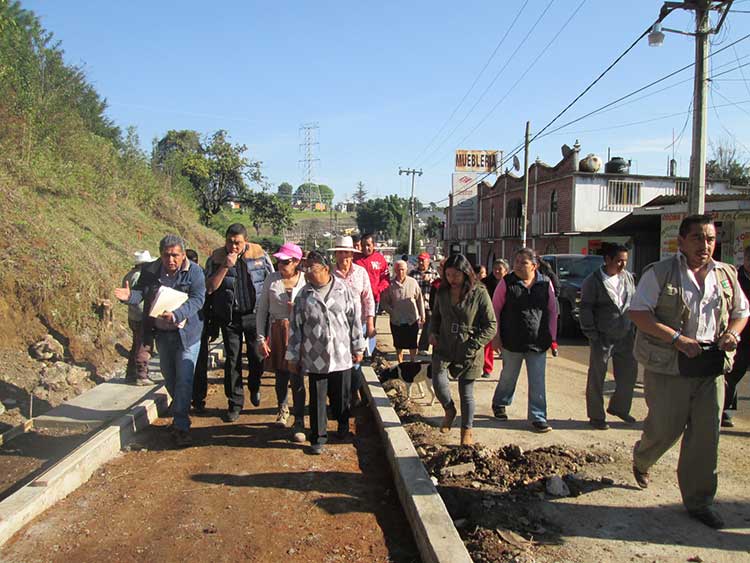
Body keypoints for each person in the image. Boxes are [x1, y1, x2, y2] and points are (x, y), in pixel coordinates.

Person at [628, 214, 748, 529]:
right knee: (665, 429)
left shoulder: (726, 275)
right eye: (697, 238)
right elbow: (639, 313)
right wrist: (677, 339)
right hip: (670, 365)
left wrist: (732, 333)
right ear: (682, 241)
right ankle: (643, 457)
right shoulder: (660, 273)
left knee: (707, 437)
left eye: (709, 239)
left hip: (711, 365)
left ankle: (699, 501)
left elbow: (741, 312)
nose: (704, 245)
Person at [114, 235, 205, 447]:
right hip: (163, 334)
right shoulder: (151, 271)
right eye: (166, 255)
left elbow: (198, 299)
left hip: (188, 335)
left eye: (175, 255)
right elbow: (140, 294)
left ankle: (181, 425)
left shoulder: (195, 273)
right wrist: (129, 297)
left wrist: (177, 314)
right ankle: (182, 409)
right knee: (170, 378)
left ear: (183, 255)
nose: (171, 260)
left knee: (184, 379)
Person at [286, 251, 365, 455]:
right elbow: (295, 328)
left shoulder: (344, 290)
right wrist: (293, 356)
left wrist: (358, 347)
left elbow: (354, 320)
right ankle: (318, 437)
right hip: (315, 355)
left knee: (340, 397)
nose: (308, 272)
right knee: (317, 398)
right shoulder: (304, 295)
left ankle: (342, 425)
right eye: (306, 268)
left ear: (326, 269)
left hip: (341, 353)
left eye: (313, 268)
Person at [206, 223, 274, 422]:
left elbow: (270, 281)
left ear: (246, 241)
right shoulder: (216, 258)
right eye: (229, 242)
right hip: (230, 318)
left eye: (237, 243)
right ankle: (235, 402)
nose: (233, 247)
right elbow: (209, 288)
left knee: (256, 356)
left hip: (255, 315)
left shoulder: (259, 255)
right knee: (232, 360)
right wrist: (225, 265)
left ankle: (254, 385)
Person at [429, 254, 496, 446]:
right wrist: (432, 332)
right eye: (448, 275)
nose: (452, 280)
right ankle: (449, 409)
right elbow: (435, 317)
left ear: (466, 273)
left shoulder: (479, 293)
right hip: (445, 344)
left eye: (456, 275)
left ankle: (466, 430)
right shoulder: (442, 292)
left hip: (469, 347)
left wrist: (474, 344)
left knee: (466, 392)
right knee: (438, 379)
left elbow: (491, 325)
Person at [491, 248, 558, 433]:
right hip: (512, 340)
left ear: (534, 266)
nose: (518, 266)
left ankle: (538, 417)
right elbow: (495, 310)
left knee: (537, 380)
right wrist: (496, 336)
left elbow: (553, 311)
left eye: (523, 262)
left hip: (538, 340)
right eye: (517, 261)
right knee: (509, 376)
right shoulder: (507, 283)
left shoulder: (545, 284)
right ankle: (500, 402)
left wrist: (553, 338)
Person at [579, 243, 637, 430]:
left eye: (625, 261)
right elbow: (585, 308)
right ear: (608, 260)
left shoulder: (628, 278)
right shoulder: (593, 281)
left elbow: (633, 302)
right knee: (597, 376)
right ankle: (596, 416)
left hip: (626, 335)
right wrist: (592, 333)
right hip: (602, 337)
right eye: (619, 261)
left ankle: (620, 407)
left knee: (629, 374)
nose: (622, 265)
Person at [256, 242, 307, 442]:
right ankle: (282, 408)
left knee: (297, 377)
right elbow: (261, 311)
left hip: (299, 332)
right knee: (281, 374)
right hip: (277, 330)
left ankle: (300, 419)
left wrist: (299, 309)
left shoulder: (304, 281)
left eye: (285, 261)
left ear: (296, 262)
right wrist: (261, 338)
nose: (280, 265)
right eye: (278, 261)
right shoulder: (272, 279)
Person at [331, 236, 375, 407]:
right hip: (336, 326)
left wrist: (370, 323)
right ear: (336, 255)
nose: (344, 257)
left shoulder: (360, 272)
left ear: (352, 254)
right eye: (340, 253)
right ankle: (341, 398)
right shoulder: (330, 274)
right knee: (339, 362)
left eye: (347, 253)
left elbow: (368, 298)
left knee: (357, 362)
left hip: (358, 324)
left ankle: (353, 393)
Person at [722, 244, 750, 428]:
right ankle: (726, 411)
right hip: (739, 334)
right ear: (745, 259)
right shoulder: (734, 278)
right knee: (731, 373)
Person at [381, 260, 424, 364]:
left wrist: (422, 314)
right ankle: (400, 363)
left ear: (406, 270)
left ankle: (413, 362)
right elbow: (384, 302)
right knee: (398, 344)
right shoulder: (390, 285)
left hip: (412, 319)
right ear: (395, 270)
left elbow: (419, 299)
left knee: (412, 343)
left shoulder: (413, 282)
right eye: (398, 269)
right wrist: (392, 311)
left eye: (403, 269)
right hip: (397, 320)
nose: (400, 272)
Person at [122, 250, 155, 386]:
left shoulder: (128, 275)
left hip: (132, 314)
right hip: (142, 313)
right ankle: (141, 374)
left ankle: (130, 373)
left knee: (135, 343)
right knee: (144, 344)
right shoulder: (140, 276)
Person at [355, 233, 390, 325]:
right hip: (357, 299)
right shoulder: (355, 259)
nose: (365, 248)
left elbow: (385, 279)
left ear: (373, 245)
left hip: (374, 299)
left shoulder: (380, 259)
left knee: (370, 325)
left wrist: (377, 290)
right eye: (363, 245)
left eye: (368, 245)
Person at [409, 252, 439, 354]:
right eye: (419, 260)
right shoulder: (413, 274)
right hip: (415, 305)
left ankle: (422, 347)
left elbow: (439, 286)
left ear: (428, 261)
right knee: (414, 326)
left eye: (423, 260)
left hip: (428, 304)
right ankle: (412, 346)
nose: (421, 262)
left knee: (428, 325)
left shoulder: (434, 274)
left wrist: (430, 280)